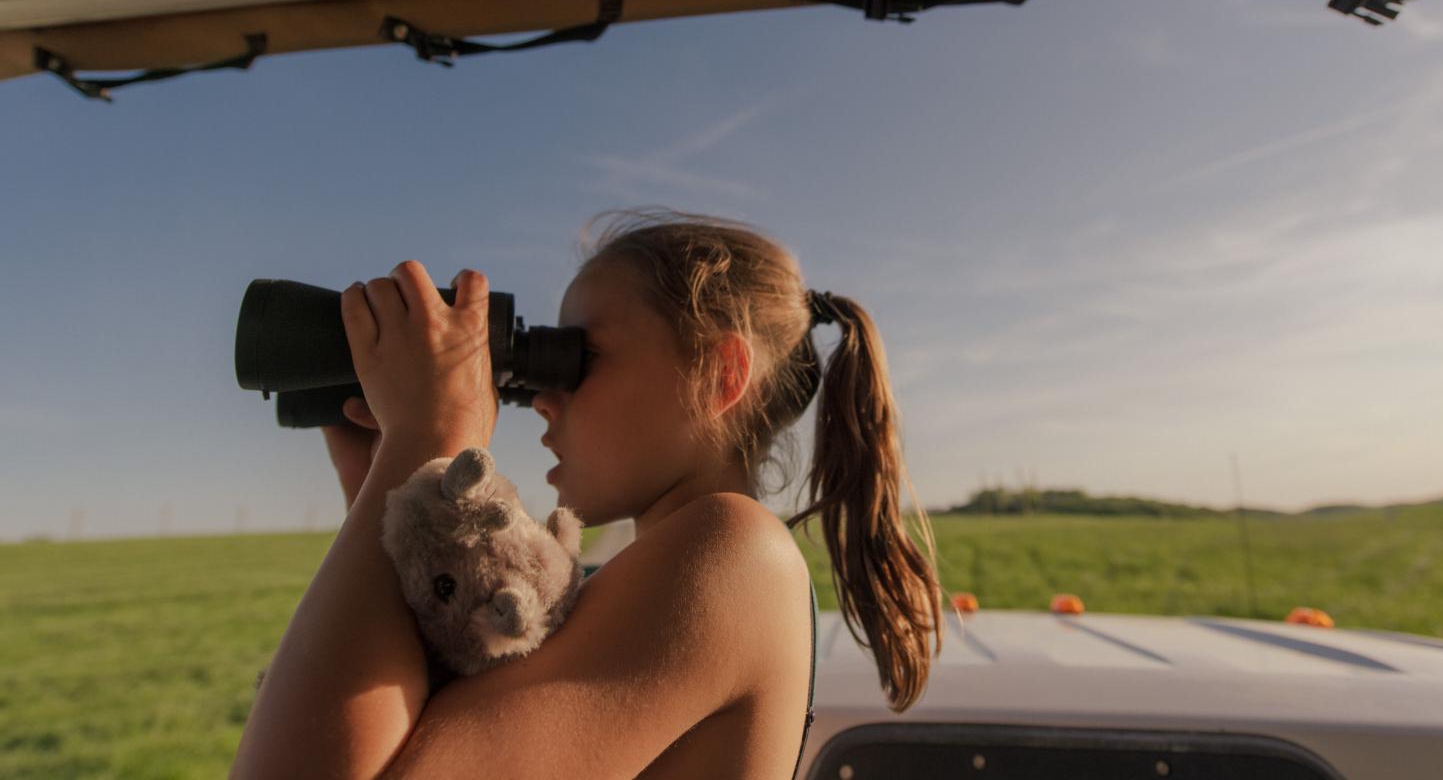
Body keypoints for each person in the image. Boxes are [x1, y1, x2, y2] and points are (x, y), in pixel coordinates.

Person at [231, 208, 945, 779]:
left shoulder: (732, 550)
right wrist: (388, 472)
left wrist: (429, 431)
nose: (542, 397)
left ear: (722, 374)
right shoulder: (651, 571)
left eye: (582, 357)